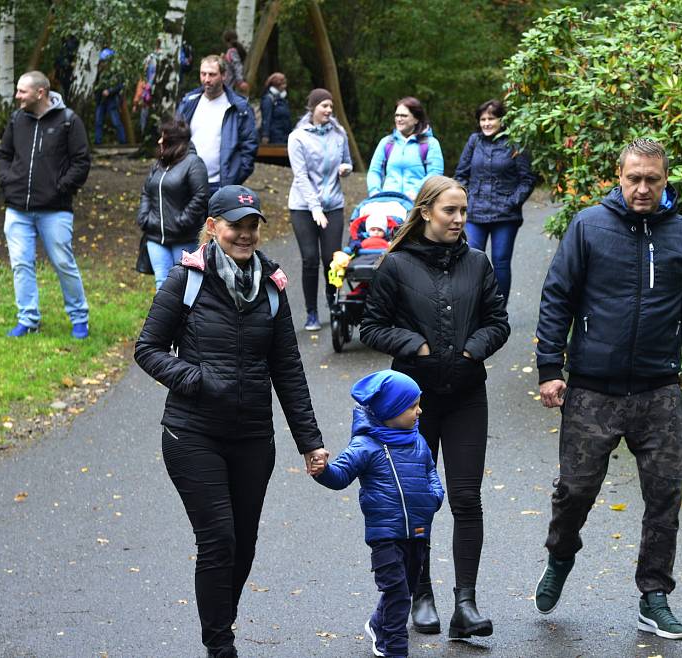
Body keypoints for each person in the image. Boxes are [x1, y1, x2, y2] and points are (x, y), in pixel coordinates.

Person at [534, 138, 682, 640]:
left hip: (659, 389)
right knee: (575, 490)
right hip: (593, 388)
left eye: (652, 180)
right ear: (618, 175)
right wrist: (551, 367)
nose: (642, 188)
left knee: (665, 497)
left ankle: (653, 595)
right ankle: (561, 554)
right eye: (634, 178)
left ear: (664, 180)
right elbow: (557, 298)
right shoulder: (589, 225)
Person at [134, 184, 328, 657]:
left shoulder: (272, 284)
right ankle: (220, 646)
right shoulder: (187, 279)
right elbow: (148, 350)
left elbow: (287, 369)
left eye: (252, 226)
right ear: (212, 227)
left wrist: (310, 441)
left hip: (252, 437)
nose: (244, 234)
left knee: (243, 546)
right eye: (235, 225)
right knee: (219, 539)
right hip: (192, 432)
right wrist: (197, 379)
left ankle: (220, 620)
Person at [360, 175, 510, 639]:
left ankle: (466, 603)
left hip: (467, 396)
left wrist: (472, 351)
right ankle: (419, 595)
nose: (459, 220)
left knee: (466, 498)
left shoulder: (479, 263)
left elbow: (498, 322)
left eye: (464, 211)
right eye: (451, 211)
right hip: (412, 403)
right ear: (426, 212)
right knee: (417, 501)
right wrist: (416, 345)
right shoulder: (396, 265)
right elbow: (372, 327)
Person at [314, 370, 444, 658]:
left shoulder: (416, 440)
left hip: (418, 533)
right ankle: (394, 648)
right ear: (390, 410)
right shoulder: (366, 445)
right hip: (385, 535)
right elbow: (340, 475)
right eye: (412, 406)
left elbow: (430, 471)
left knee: (406, 589)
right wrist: (322, 471)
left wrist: (435, 495)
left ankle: (377, 624)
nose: (420, 411)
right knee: (397, 592)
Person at [0, 70, 91, 339]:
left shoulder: (68, 121)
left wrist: (60, 189)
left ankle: (79, 318)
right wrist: (7, 181)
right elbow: (3, 154)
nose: (17, 96)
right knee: (21, 265)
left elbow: (81, 162)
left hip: (55, 210)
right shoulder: (17, 119)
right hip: (17, 209)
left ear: (40, 93)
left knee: (63, 262)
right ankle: (28, 319)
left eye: (22, 91)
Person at [454, 99, 537, 305]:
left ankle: (498, 312)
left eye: (491, 118)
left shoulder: (514, 142)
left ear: (502, 120)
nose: (487, 123)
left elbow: (527, 179)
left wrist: (512, 202)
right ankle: (472, 307)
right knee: (470, 259)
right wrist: (467, 199)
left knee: (500, 262)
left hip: (505, 215)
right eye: (483, 119)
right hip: (475, 212)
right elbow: (461, 174)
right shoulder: (474, 141)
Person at [287, 88, 352, 331]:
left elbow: (347, 160)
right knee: (310, 259)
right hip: (304, 207)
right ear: (312, 107)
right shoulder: (298, 137)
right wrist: (314, 207)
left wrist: (345, 168)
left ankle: (333, 303)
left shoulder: (339, 133)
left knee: (332, 260)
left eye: (331, 107)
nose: (328, 110)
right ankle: (311, 313)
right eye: (324, 106)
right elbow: (301, 176)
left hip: (333, 204)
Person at [136, 118, 208, 289]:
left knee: (185, 286)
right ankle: (165, 317)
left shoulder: (194, 163)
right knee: (162, 285)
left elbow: (201, 196)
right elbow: (147, 191)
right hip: (155, 238)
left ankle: (188, 317)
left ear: (174, 141)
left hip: (183, 238)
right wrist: (144, 218)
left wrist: (181, 222)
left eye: (164, 137)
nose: (160, 141)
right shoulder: (159, 164)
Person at [177, 55, 259, 196]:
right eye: (203, 74)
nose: (207, 79)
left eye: (212, 75)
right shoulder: (188, 102)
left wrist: (233, 179)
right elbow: (175, 139)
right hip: (187, 182)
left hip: (220, 186)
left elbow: (249, 145)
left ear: (224, 76)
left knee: (215, 219)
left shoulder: (239, 107)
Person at [366, 97, 444, 201]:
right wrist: (374, 191)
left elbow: (435, 173)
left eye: (404, 116)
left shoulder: (430, 144)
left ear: (416, 119)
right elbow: (374, 171)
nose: (398, 119)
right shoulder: (386, 142)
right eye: (397, 115)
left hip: (418, 204)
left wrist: (416, 192)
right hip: (388, 202)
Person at [93, 47, 127, 145]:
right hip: (101, 101)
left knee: (116, 122)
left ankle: (123, 142)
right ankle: (97, 142)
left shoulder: (116, 72)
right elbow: (97, 85)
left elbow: (120, 85)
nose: (104, 63)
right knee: (98, 121)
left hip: (111, 100)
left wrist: (110, 91)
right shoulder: (100, 72)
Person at [132, 40, 161, 135]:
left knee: (149, 112)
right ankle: (144, 133)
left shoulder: (153, 58)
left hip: (156, 91)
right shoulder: (150, 58)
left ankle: (148, 133)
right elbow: (141, 82)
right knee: (145, 112)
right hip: (148, 92)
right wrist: (136, 102)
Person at [259, 72, 292, 144]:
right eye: (283, 83)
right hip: (274, 137)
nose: (285, 86)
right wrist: (265, 135)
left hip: (285, 136)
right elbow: (266, 118)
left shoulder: (284, 99)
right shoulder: (268, 99)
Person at [221, 30, 249, 96]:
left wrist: (240, 81)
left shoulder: (232, 51)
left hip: (231, 85)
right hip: (229, 85)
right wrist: (225, 59)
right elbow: (231, 64)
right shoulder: (232, 51)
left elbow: (237, 66)